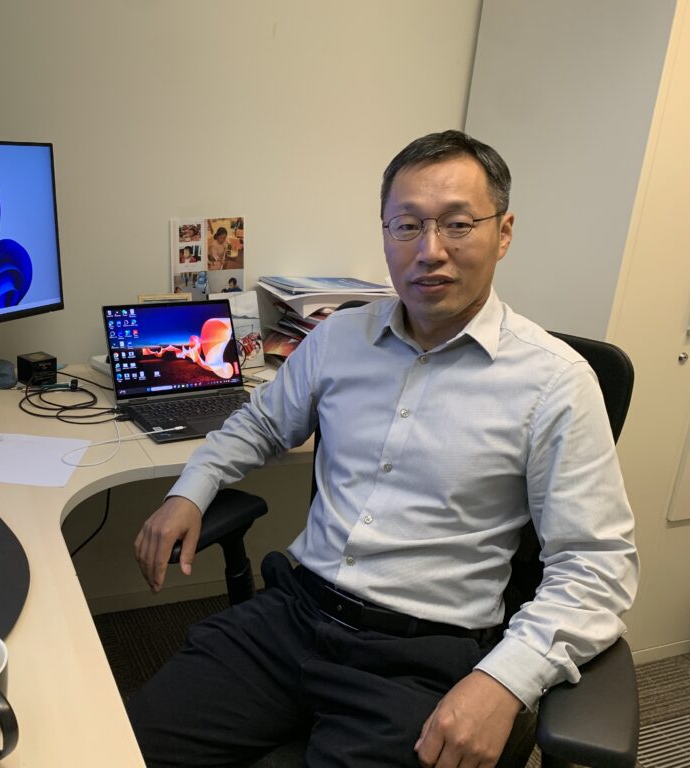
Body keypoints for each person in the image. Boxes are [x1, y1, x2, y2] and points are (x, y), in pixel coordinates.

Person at [128, 130, 638, 768]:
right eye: (406, 226)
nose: (430, 252)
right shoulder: (339, 339)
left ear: (503, 233)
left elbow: (595, 570)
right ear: (385, 233)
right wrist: (190, 491)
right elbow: (258, 425)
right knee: (113, 745)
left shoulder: (555, 383)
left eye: (458, 224)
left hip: (419, 661)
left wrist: (505, 681)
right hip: (291, 616)